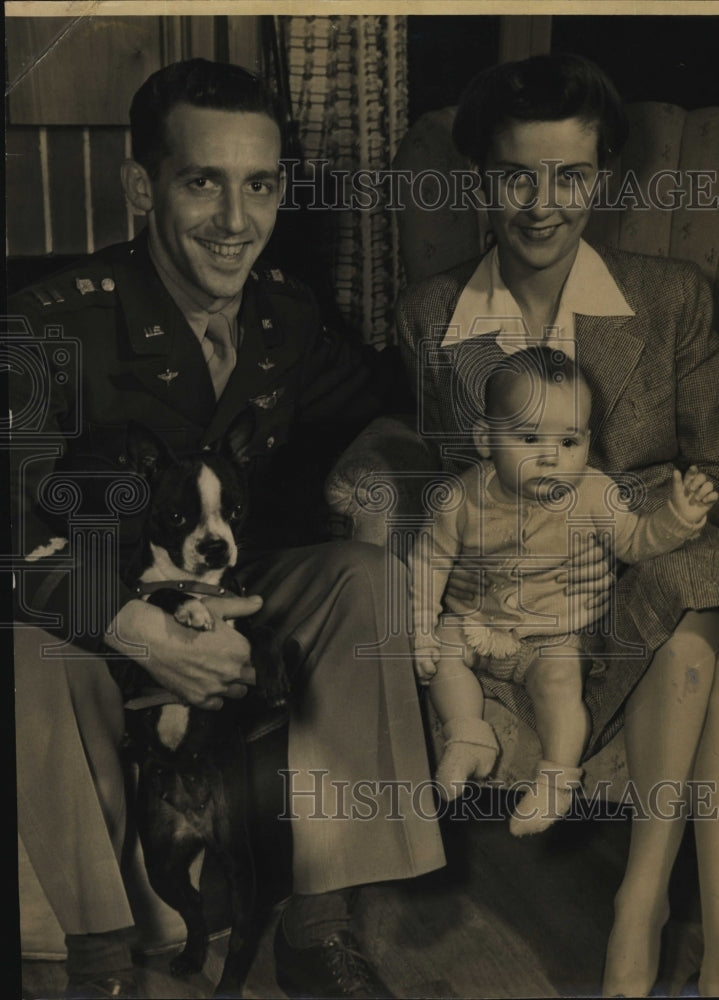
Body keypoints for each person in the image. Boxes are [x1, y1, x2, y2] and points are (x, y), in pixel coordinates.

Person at [11, 58, 451, 999]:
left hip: (225, 590)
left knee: (357, 580)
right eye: (202, 180)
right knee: (25, 651)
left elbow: (380, 399)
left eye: (258, 185)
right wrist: (134, 626)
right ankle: (100, 963)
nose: (234, 219)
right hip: (92, 619)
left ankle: (316, 928)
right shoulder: (48, 326)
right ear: (143, 186)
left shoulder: (283, 317)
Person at [396, 53, 719, 998]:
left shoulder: (670, 296)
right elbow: (448, 483)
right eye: (517, 174)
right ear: (481, 177)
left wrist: (646, 511)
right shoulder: (434, 315)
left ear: (603, 176)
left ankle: (643, 907)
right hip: (527, 604)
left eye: (571, 175)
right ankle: (710, 953)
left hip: (657, 557)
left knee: (701, 596)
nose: (542, 203)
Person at [412, 346, 718, 836]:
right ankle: (468, 736)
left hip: (557, 634)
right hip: (477, 622)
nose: (552, 457)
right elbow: (429, 562)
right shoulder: (461, 498)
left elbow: (637, 541)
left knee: (560, 689)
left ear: (587, 441)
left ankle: (556, 779)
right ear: (486, 439)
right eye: (530, 437)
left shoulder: (595, 493)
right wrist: (422, 629)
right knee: (443, 660)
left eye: (569, 441)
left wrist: (676, 519)